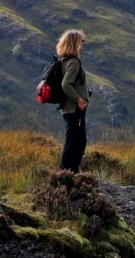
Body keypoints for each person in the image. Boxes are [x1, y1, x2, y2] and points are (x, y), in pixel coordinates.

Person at [57, 28, 89, 172]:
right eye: (81, 41)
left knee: (75, 140)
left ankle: (68, 173)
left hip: (69, 108)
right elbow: (65, 84)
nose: (83, 45)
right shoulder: (74, 62)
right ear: (75, 43)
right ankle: (67, 174)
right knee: (77, 141)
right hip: (74, 109)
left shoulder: (64, 60)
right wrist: (79, 100)